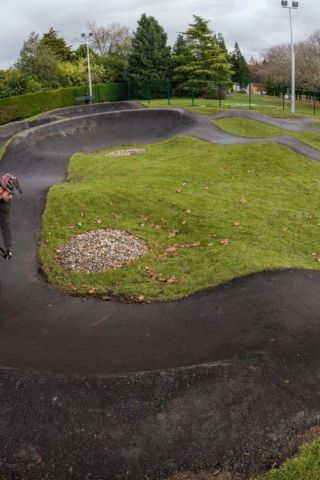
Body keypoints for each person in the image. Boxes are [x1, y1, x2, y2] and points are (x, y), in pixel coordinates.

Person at [0, 173, 22, 260]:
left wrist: (8, 249)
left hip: (3, 204)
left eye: (12, 194)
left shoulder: (6, 201)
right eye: (9, 193)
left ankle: (8, 248)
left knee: (5, 223)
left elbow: (6, 226)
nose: (11, 197)